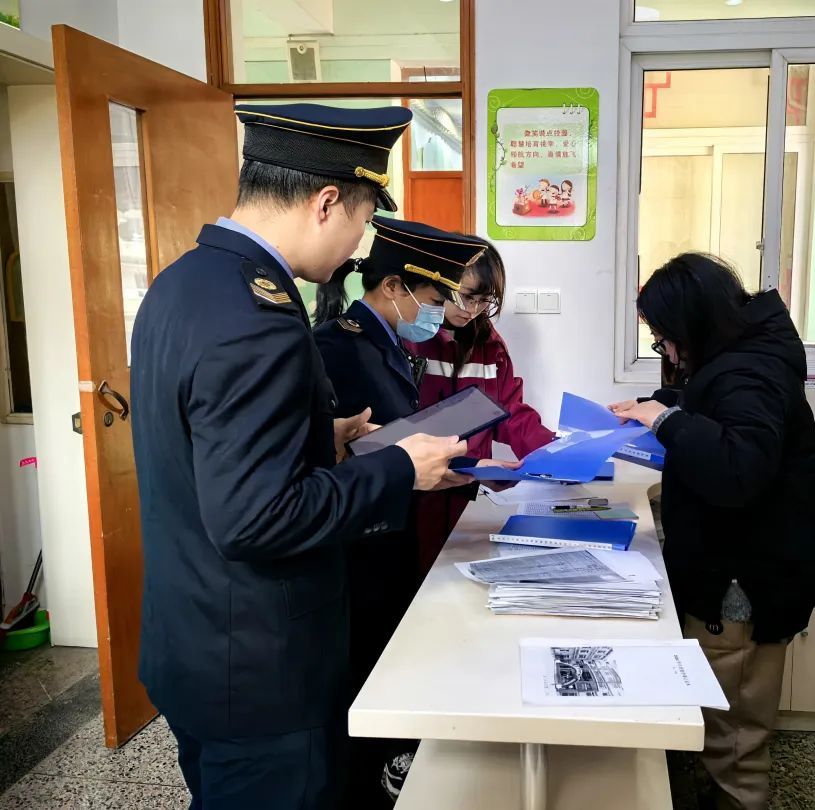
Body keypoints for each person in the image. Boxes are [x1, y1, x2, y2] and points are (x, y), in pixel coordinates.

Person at [130, 102, 467, 810]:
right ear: (326, 203)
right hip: (262, 670)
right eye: (362, 221)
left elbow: (203, 449)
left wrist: (321, 437)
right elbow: (255, 518)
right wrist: (399, 468)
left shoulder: (183, 283)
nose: (356, 248)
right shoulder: (260, 320)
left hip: (195, 642)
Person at [610, 253, 815, 810]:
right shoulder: (743, 357)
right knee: (719, 707)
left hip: (745, 578)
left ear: (692, 326)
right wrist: (664, 404)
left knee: (734, 726)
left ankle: (737, 799)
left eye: (664, 340)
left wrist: (665, 421)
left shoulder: (749, 373)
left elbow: (738, 470)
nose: (666, 353)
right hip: (742, 562)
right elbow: (716, 408)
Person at [312, 218, 508, 806]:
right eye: (436, 299)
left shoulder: (389, 343)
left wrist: (433, 467)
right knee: (360, 680)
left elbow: (389, 442)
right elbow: (330, 460)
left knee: (385, 666)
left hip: (389, 534)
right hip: (358, 548)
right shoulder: (337, 345)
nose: (442, 313)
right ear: (395, 287)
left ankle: (380, 774)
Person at [407, 236, 555, 574]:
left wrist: (552, 452)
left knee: (460, 577)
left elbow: (509, 412)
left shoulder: (490, 345)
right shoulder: (413, 338)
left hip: (467, 494)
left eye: (484, 301)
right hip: (419, 491)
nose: (472, 310)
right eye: (466, 297)